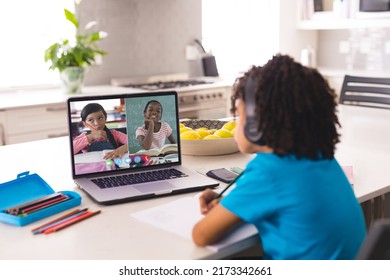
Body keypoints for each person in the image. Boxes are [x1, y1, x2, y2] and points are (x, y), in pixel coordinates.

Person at [192, 54, 367, 260]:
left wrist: (226, 209)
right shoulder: (319, 155)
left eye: (239, 116)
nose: (235, 125)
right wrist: (230, 204)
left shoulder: (269, 172)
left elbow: (201, 235)